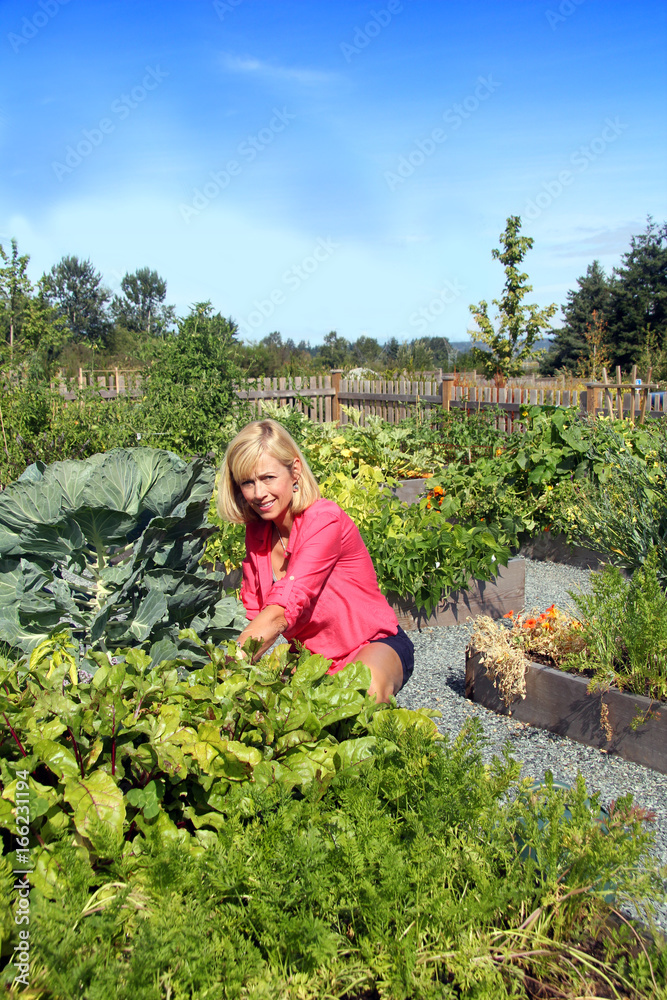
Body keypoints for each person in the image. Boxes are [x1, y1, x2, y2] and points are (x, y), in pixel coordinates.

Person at [217, 419, 414, 703]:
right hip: (313, 663)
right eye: (248, 482)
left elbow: (281, 610)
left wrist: (224, 673)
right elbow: (253, 615)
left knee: (363, 693)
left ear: (295, 470)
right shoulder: (258, 533)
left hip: (371, 644)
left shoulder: (324, 520)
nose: (259, 494)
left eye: (268, 478)